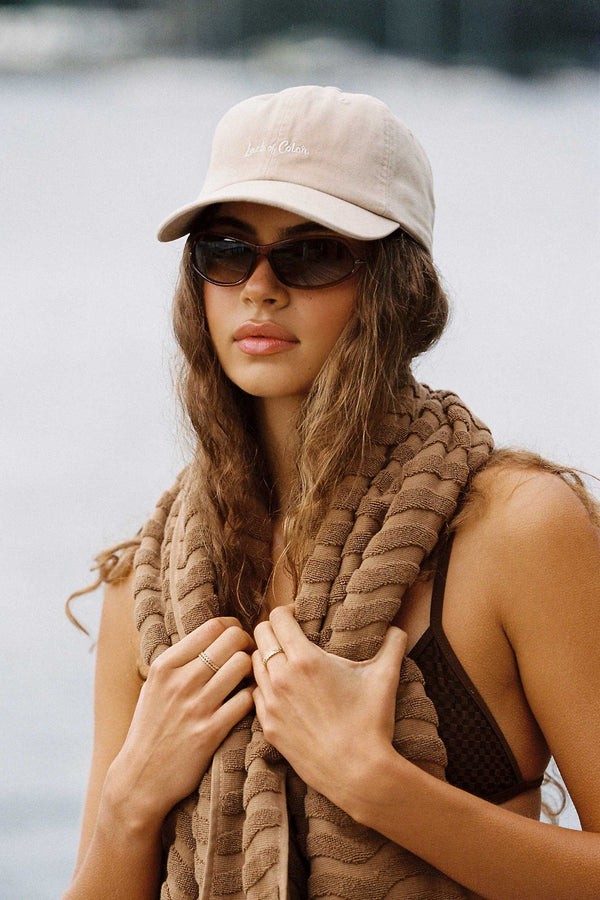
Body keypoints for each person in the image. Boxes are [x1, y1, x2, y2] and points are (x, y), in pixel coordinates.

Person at [64, 86, 600, 900]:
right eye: (226, 249)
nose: (260, 287)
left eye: (311, 253)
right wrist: (130, 802)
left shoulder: (519, 531)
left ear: (394, 286)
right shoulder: (140, 586)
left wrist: (376, 783)